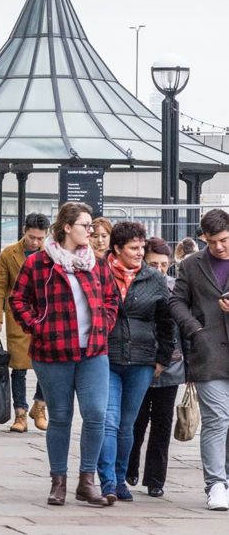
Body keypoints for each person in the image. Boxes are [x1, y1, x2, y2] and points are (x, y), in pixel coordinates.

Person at [9, 202, 118, 507]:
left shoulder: (97, 263)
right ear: (68, 227)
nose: (92, 231)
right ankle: (58, 481)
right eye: (86, 225)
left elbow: (111, 297)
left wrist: (105, 322)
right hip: (52, 351)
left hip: (93, 351)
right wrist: (36, 326)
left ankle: (87, 481)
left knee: (96, 413)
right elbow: (18, 299)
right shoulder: (39, 263)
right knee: (59, 416)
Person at [97, 223, 175, 503]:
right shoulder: (99, 272)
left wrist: (162, 358)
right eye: (133, 247)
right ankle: (107, 481)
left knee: (127, 425)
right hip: (105, 357)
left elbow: (166, 320)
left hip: (142, 360)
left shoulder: (154, 278)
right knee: (109, 421)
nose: (140, 252)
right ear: (117, 249)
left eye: (142, 247)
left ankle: (120, 479)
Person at [169, 208, 229, 511]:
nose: (218, 247)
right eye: (212, 242)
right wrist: (194, 328)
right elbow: (176, 301)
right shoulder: (192, 265)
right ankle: (216, 484)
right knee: (217, 419)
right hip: (208, 353)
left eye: (224, 240)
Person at [126, 237, 185, 498]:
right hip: (139, 361)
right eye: (153, 263)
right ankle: (130, 467)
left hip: (170, 365)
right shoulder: (136, 286)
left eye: (164, 264)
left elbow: (181, 329)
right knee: (135, 420)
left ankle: (155, 479)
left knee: (162, 424)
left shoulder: (175, 289)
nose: (159, 269)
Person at [0, 213, 50, 433]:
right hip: (17, 316)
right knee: (19, 367)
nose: (35, 242)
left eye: (40, 238)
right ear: (24, 231)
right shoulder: (9, 253)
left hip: (45, 316)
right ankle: (20, 414)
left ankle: (40, 406)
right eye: (32, 236)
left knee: (48, 365)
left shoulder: (51, 254)